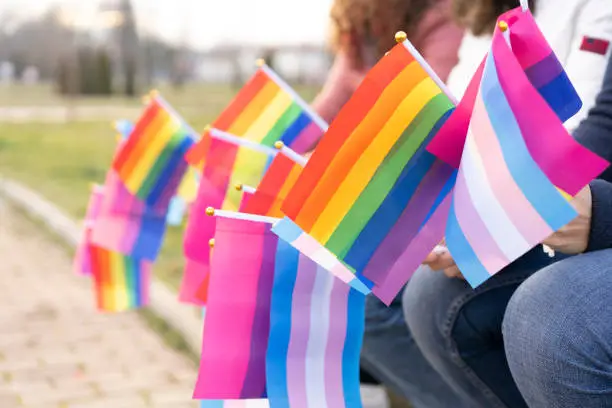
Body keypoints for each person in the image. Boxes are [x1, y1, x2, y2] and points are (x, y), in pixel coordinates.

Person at [397, 1, 612, 407]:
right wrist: (482, 216)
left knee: (551, 315)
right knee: (431, 296)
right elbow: (607, 121)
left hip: (582, 197)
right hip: (556, 189)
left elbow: (576, 130)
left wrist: (589, 212)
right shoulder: (485, 11)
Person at [308, 1, 466, 407]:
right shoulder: (359, 28)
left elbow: (427, 112)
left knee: (346, 290)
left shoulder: (439, 16)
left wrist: (336, 163)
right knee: (305, 265)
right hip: (386, 183)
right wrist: (273, 155)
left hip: (426, 184)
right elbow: (328, 107)